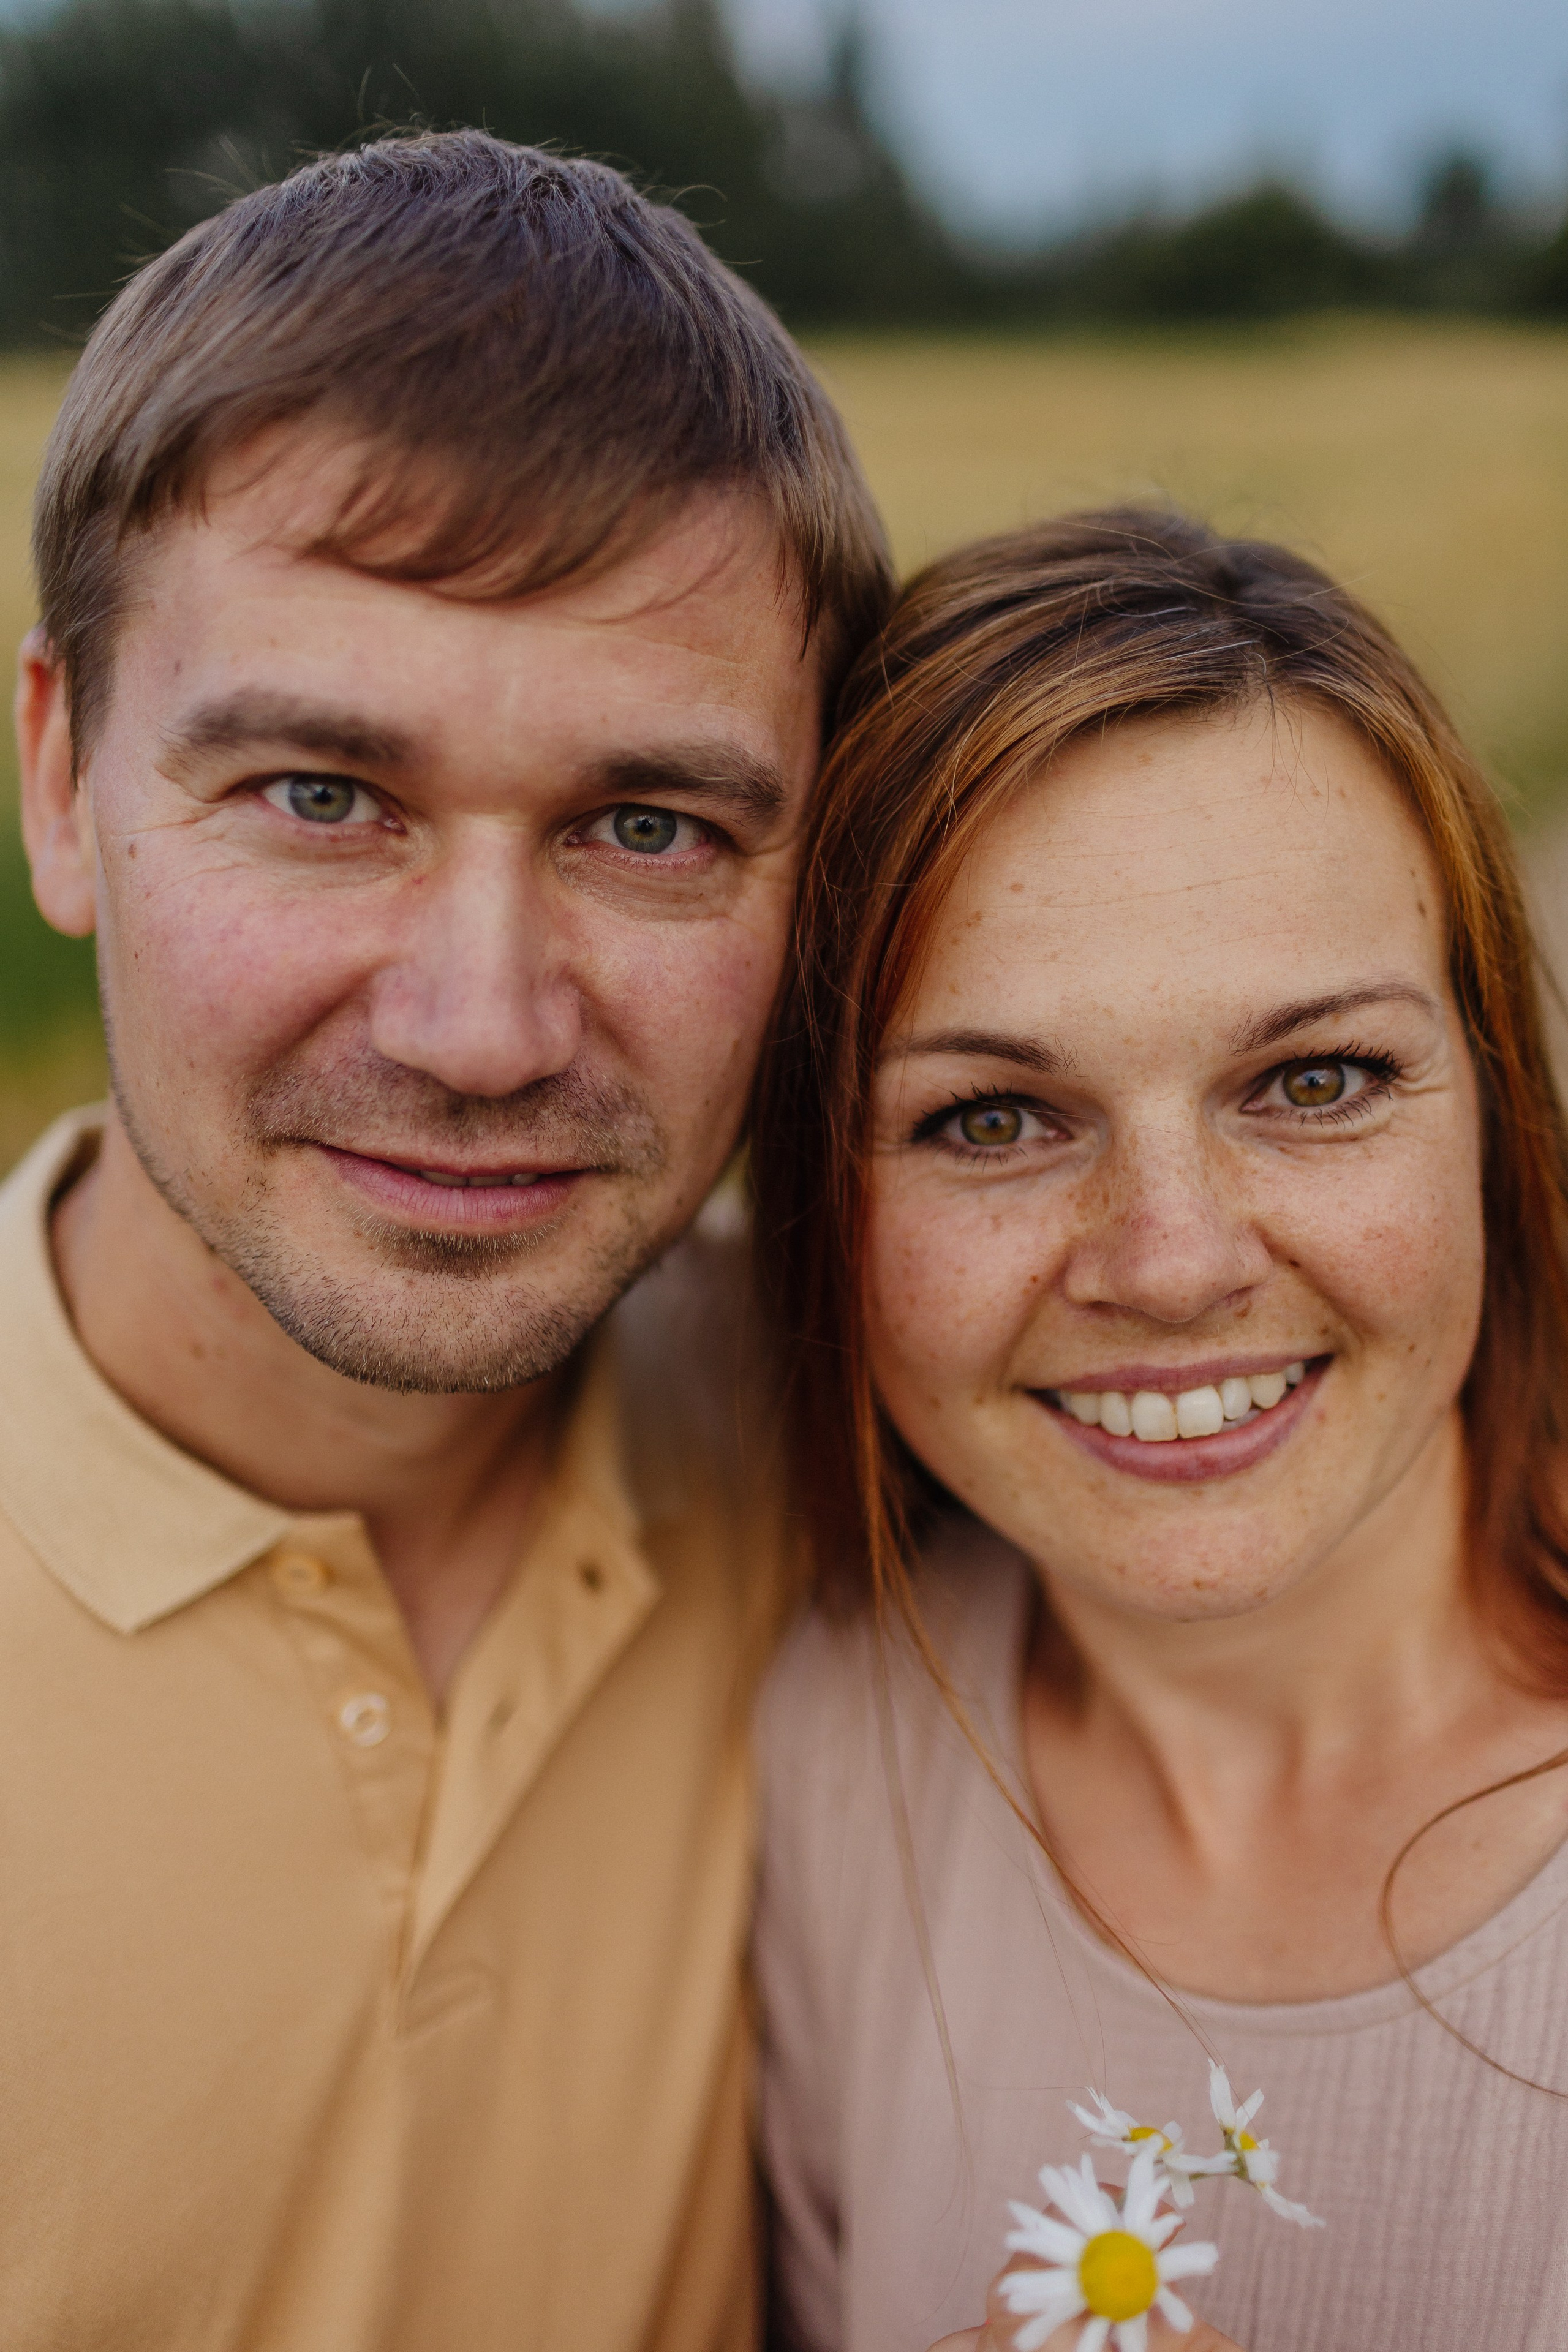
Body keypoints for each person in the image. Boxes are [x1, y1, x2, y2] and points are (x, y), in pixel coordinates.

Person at [1, 130, 891, 2350]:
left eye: (650, 825)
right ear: (59, 779)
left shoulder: (881, 1452)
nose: (483, 1027)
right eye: (321, 796)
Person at [750, 511, 1568, 2352]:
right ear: (823, 1203)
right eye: (992, 1119)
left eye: (1316, 1081)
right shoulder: (829, 1765)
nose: (1174, 1263)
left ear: (1496, 1109)